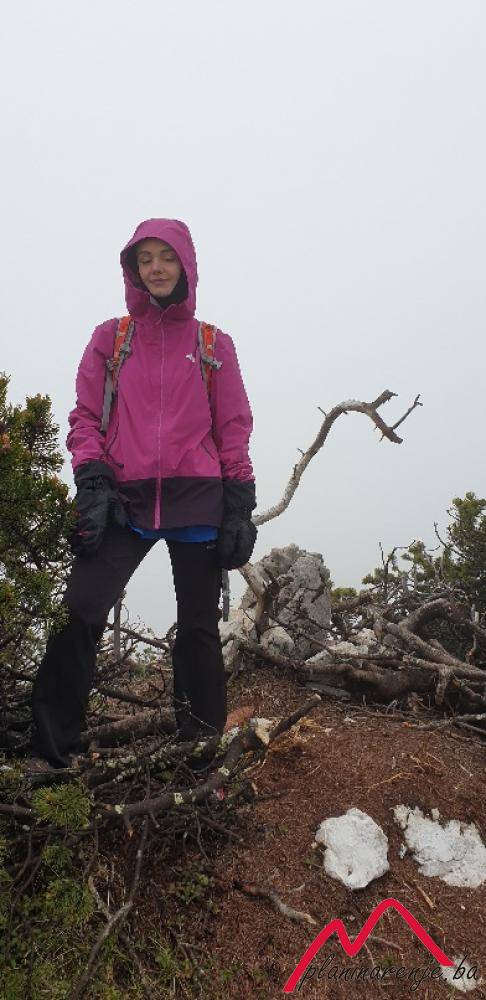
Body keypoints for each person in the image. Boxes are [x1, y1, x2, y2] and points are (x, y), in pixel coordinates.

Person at [28, 218, 257, 773]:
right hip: (123, 500)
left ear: (186, 265)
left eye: (167, 257)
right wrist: (92, 479)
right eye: (145, 258)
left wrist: (239, 505)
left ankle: (199, 759)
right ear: (132, 268)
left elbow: (233, 428)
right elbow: (85, 417)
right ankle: (49, 755)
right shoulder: (112, 339)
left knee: (199, 631)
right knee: (79, 611)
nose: (156, 268)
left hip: (198, 500)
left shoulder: (212, 344)